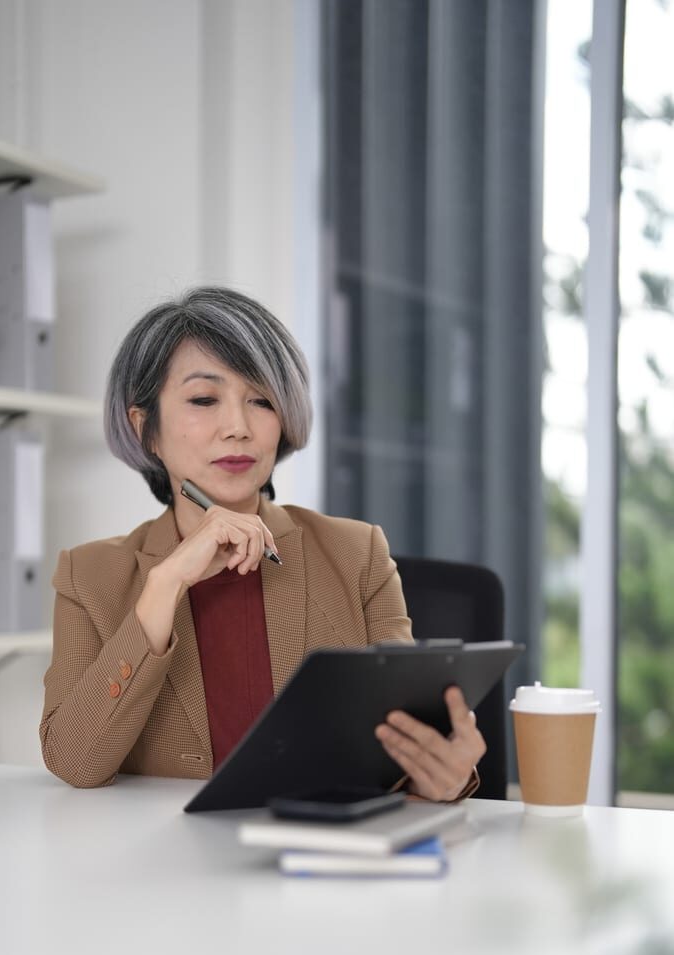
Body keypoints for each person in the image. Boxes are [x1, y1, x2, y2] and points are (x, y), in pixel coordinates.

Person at [40, 286, 485, 800]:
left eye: (262, 400)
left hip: (313, 860)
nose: (239, 428)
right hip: (165, 867)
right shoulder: (89, 575)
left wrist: (444, 777)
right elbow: (75, 761)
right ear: (147, 430)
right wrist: (164, 587)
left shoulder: (356, 554)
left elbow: (408, 745)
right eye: (204, 399)